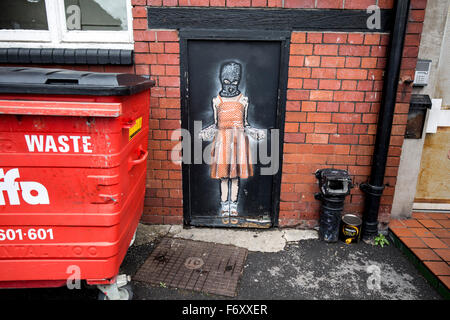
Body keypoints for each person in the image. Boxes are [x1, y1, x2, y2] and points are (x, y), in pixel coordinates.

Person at [199, 62, 265, 224]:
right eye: (226, 81)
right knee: (223, 176)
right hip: (222, 141)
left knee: (235, 177)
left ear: (239, 80)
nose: (230, 85)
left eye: (234, 82)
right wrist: (207, 131)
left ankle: (233, 206)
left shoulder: (244, 101)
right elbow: (216, 123)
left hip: (238, 142)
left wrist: (254, 132)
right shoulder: (217, 101)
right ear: (222, 80)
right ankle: (224, 205)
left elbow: (245, 123)